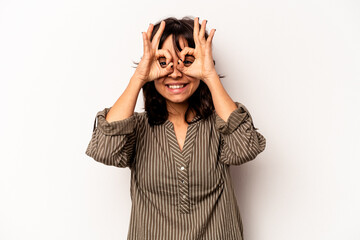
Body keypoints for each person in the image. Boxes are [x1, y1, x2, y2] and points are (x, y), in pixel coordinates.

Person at [85, 16, 266, 240]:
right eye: (164, 62)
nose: (175, 72)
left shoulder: (218, 124)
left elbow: (245, 148)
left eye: (187, 61)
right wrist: (139, 77)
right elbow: (104, 149)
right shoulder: (138, 128)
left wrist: (209, 75)